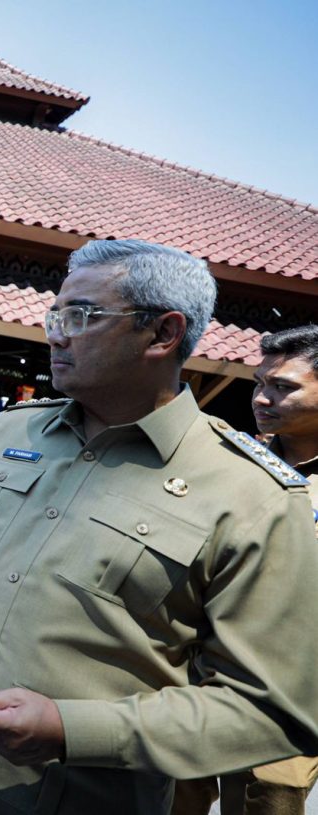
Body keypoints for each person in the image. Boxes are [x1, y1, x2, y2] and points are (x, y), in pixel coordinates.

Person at [0, 238, 318, 814]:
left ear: (163, 333)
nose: (56, 332)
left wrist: (71, 728)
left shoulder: (254, 498)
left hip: (64, 794)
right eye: (56, 314)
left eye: (80, 316)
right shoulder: (13, 431)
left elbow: (269, 712)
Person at [174, 325, 318, 815]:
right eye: (260, 383)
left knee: (270, 801)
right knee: (175, 792)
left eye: (284, 387)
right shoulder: (239, 463)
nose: (262, 397)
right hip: (199, 671)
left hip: (289, 688)